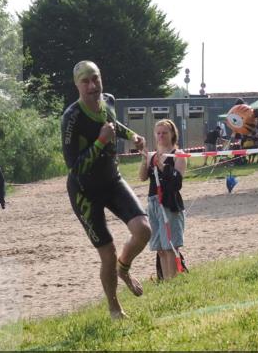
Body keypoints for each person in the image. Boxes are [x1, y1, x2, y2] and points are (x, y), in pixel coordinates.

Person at [61, 60, 148, 319]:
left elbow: (113, 125)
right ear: (77, 85)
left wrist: (131, 136)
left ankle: (125, 268)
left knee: (143, 230)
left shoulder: (108, 100)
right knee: (107, 254)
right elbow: (74, 168)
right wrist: (100, 142)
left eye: (95, 79)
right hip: (84, 191)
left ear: (101, 79)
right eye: (85, 81)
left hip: (112, 180)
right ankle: (114, 308)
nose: (92, 85)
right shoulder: (71, 118)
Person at [139, 119, 187, 281]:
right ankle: (166, 280)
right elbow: (142, 177)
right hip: (153, 203)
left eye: (164, 133)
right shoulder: (153, 155)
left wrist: (161, 166)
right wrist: (145, 160)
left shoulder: (178, 155)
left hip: (169, 204)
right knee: (160, 248)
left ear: (172, 134)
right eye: (158, 133)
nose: (160, 136)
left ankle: (172, 281)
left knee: (170, 246)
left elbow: (176, 183)